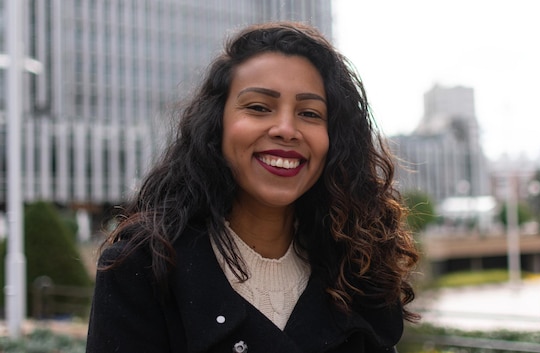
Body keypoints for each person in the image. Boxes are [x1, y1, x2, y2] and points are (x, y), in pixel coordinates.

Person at [86, 21, 420, 352]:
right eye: (259, 107)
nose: (286, 129)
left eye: (310, 113)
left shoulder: (357, 268)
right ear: (216, 124)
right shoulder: (142, 267)